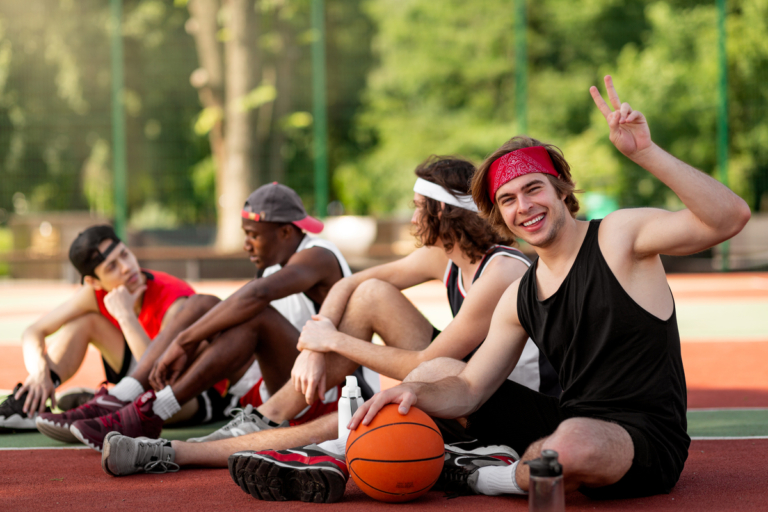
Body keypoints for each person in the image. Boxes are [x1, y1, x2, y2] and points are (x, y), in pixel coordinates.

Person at [348, 76, 751, 500]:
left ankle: (483, 475)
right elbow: (469, 389)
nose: (524, 207)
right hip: (565, 419)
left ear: (561, 190)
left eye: (533, 188)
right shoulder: (519, 294)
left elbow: (729, 218)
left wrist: (646, 153)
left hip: (644, 438)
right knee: (431, 373)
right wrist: (412, 392)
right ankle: (347, 450)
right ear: (499, 217)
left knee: (570, 443)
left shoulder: (618, 238)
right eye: (508, 200)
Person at [101, 157, 558, 501]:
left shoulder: (502, 269)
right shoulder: (444, 257)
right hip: (462, 385)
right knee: (372, 296)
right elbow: (353, 285)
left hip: (512, 407)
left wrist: (333, 341)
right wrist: (316, 346)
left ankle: (322, 449)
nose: (412, 217)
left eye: (419, 207)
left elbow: (427, 365)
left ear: (444, 213)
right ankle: (267, 425)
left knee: (365, 412)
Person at [64, 183, 353, 452]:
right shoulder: (273, 266)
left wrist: (184, 340)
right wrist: (188, 340)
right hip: (274, 388)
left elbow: (257, 295)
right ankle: (126, 397)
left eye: (253, 235)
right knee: (202, 303)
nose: (246, 245)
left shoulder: (319, 255)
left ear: (286, 233)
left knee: (256, 314)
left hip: (325, 395)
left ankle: (151, 410)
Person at [0, 225, 194, 432]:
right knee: (85, 322)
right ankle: (31, 403)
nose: (127, 267)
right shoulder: (94, 293)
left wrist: (125, 315)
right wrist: (40, 372)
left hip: (187, 394)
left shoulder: (174, 299)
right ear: (93, 282)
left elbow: (160, 376)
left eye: (125, 254)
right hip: (140, 380)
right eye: (111, 267)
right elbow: (34, 331)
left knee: (154, 403)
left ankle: (106, 402)